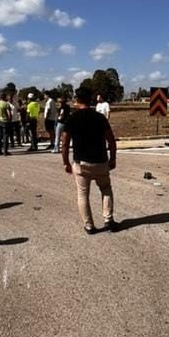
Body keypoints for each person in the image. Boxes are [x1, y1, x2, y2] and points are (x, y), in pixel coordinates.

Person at [61, 86, 117, 234]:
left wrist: (66, 162)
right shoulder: (100, 118)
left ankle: (89, 225)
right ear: (91, 99)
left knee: (83, 194)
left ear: (77, 99)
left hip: (81, 164)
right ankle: (108, 219)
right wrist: (113, 158)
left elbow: (65, 143)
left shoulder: (72, 119)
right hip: (101, 162)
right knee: (106, 189)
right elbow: (111, 140)